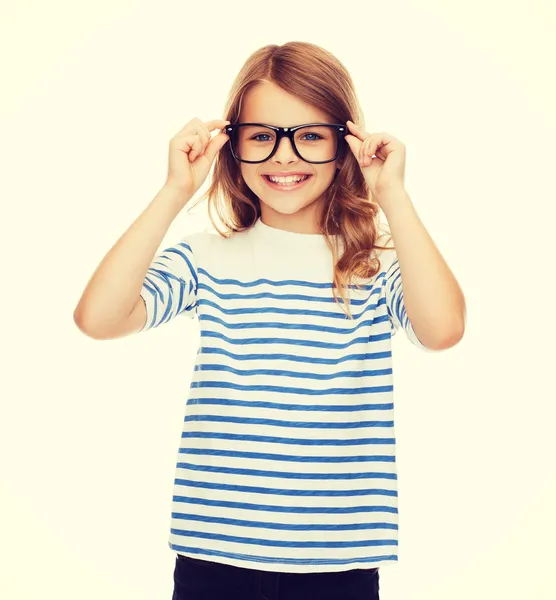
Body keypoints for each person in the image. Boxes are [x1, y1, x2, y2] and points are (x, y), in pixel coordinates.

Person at [74, 41, 465, 600]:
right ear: (232, 147)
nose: (285, 157)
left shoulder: (377, 264)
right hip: (215, 554)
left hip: (340, 561)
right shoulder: (208, 256)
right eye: (262, 136)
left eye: (308, 135)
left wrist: (392, 195)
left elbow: (443, 329)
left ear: (344, 144)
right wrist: (174, 190)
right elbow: (98, 318)